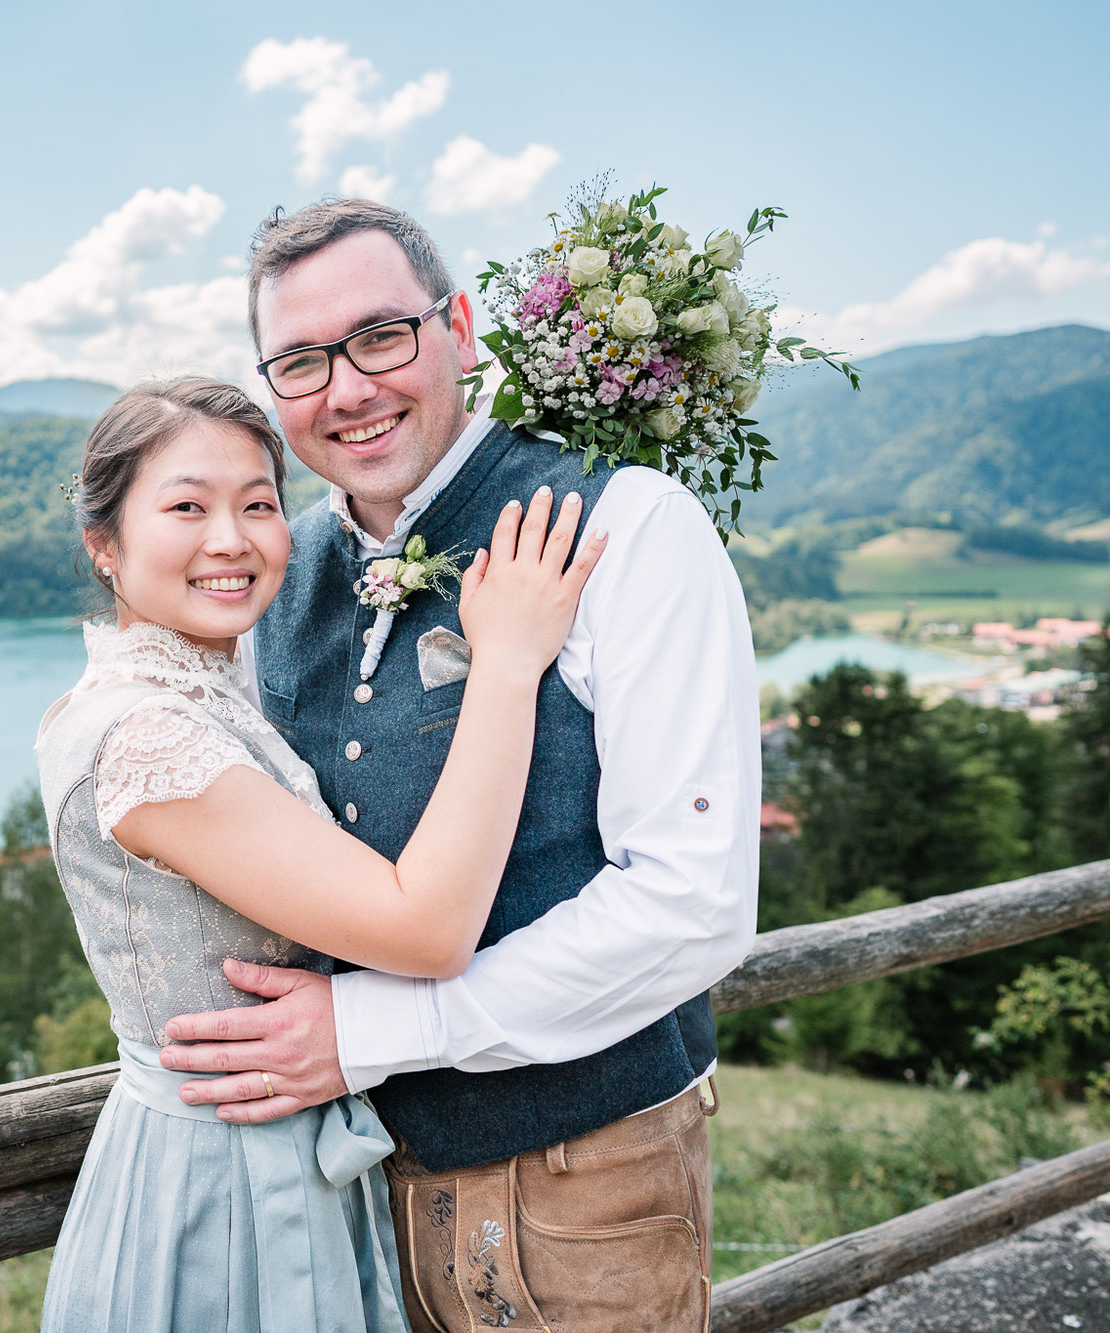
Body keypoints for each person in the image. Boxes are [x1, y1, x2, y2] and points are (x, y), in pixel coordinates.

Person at [157, 198, 761, 1331]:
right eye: (297, 362)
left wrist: (368, 1033)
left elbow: (695, 901)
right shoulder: (274, 580)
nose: (345, 389)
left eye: (380, 336)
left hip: (584, 1191)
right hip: (342, 1200)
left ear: (462, 329)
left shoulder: (626, 524)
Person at [34, 374, 606, 1331]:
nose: (232, 538)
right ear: (105, 545)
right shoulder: (144, 738)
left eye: (259, 503)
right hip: (219, 1191)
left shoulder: (203, 696)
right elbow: (424, 929)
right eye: (186, 506)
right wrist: (505, 664)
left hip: (278, 1153)